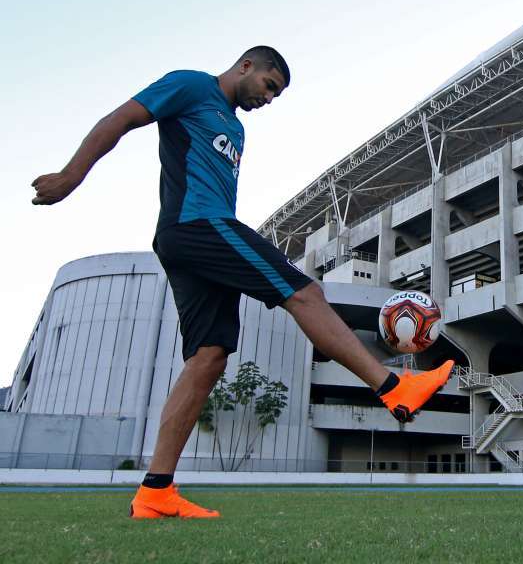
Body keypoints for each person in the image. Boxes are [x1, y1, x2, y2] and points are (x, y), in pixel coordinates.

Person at [32, 47, 453, 519]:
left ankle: (155, 492)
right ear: (246, 66)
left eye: (277, 95)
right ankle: (393, 386)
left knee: (207, 358)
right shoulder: (190, 85)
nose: (269, 98)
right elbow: (121, 118)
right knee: (305, 291)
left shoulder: (235, 128)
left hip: (195, 236)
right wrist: (72, 175)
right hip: (196, 225)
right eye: (269, 86)